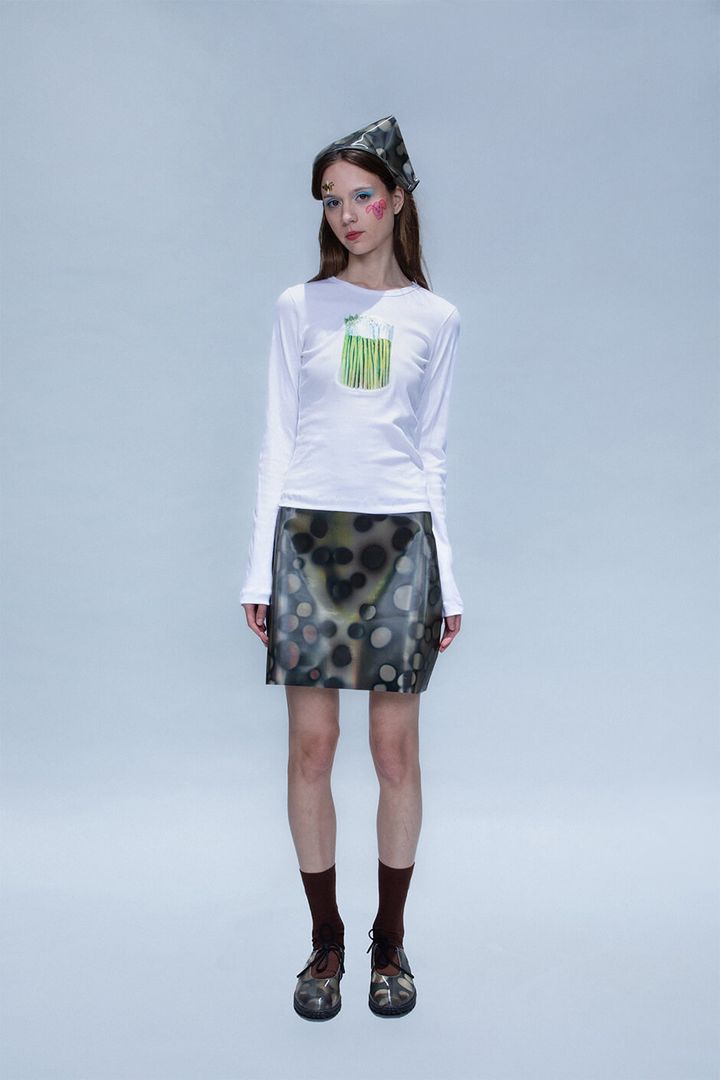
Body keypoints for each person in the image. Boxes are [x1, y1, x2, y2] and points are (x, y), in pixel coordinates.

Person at [239, 115, 464, 1020]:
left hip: (401, 542)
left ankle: (390, 943)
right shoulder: (300, 307)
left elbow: (433, 456)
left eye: (363, 195)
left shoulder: (436, 319)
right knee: (312, 747)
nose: (347, 214)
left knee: (394, 750)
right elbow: (277, 441)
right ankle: (325, 942)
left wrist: (452, 577)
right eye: (332, 200)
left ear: (398, 199)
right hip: (307, 539)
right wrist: (258, 571)